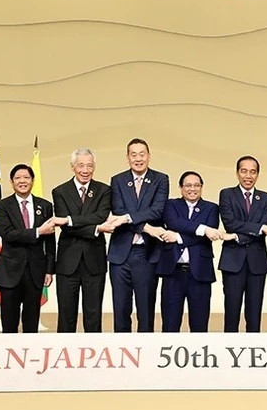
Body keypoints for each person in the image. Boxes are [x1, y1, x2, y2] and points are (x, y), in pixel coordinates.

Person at [106, 138, 169, 332]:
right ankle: (123, 354)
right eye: (134, 155)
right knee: (121, 308)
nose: (138, 159)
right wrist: (145, 228)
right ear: (127, 158)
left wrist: (127, 218)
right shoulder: (118, 180)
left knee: (145, 309)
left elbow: (157, 211)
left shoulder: (160, 179)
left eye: (142, 154)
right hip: (120, 255)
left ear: (149, 156)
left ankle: (146, 354)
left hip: (147, 254)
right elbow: (117, 209)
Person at [51, 148, 113, 333]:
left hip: (94, 260)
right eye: (81, 165)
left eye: (89, 165)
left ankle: (94, 357)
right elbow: (65, 226)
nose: (85, 170)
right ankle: (64, 356)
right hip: (67, 261)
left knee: (93, 313)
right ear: (72, 167)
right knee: (66, 313)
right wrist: (95, 228)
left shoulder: (104, 190)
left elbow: (101, 216)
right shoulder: (60, 191)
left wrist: (71, 219)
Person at [0, 164, 58, 333]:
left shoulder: (45, 206)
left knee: (32, 321)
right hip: (10, 271)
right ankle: (9, 356)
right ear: (12, 182)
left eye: (26, 177)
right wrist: (38, 231)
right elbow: (8, 234)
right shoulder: (2, 206)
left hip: (35, 271)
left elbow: (50, 242)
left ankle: (31, 356)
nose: (22, 181)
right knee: (9, 321)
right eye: (18, 178)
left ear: (32, 180)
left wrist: (49, 270)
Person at [154, 171, 222, 332]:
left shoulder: (211, 208)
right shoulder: (170, 205)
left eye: (196, 185)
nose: (193, 189)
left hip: (200, 273)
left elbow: (207, 236)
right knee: (170, 324)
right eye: (188, 185)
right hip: (173, 272)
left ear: (201, 187)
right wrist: (202, 229)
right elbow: (174, 222)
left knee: (199, 325)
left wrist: (178, 237)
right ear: (181, 187)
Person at [218, 155, 267, 332]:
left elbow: (264, 225)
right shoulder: (227, 194)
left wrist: (237, 236)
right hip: (233, 261)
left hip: (257, 262)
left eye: (253, 172)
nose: (248, 176)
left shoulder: (265, 198)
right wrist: (260, 229)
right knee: (231, 313)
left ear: (257, 175)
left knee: (254, 315)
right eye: (244, 171)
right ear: (237, 173)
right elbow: (230, 223)